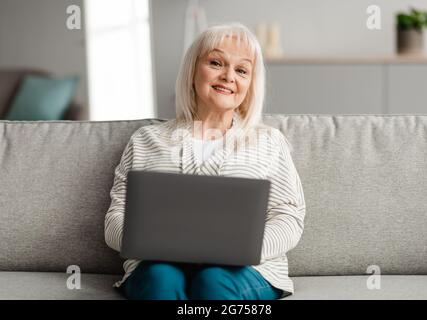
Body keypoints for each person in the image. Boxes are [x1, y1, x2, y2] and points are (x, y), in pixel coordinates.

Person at [104, 22, 306, 300]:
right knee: (160, 278)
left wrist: (242, 248)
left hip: (244, 270)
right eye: (216, 62)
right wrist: (155, 245)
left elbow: (289, 218)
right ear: (192, 71)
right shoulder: (145, 140)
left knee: (213, 281)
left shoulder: (269, 142)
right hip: (157, 265)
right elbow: (115, 218)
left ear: (250, 84)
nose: (228, 76)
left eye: (242, 70)